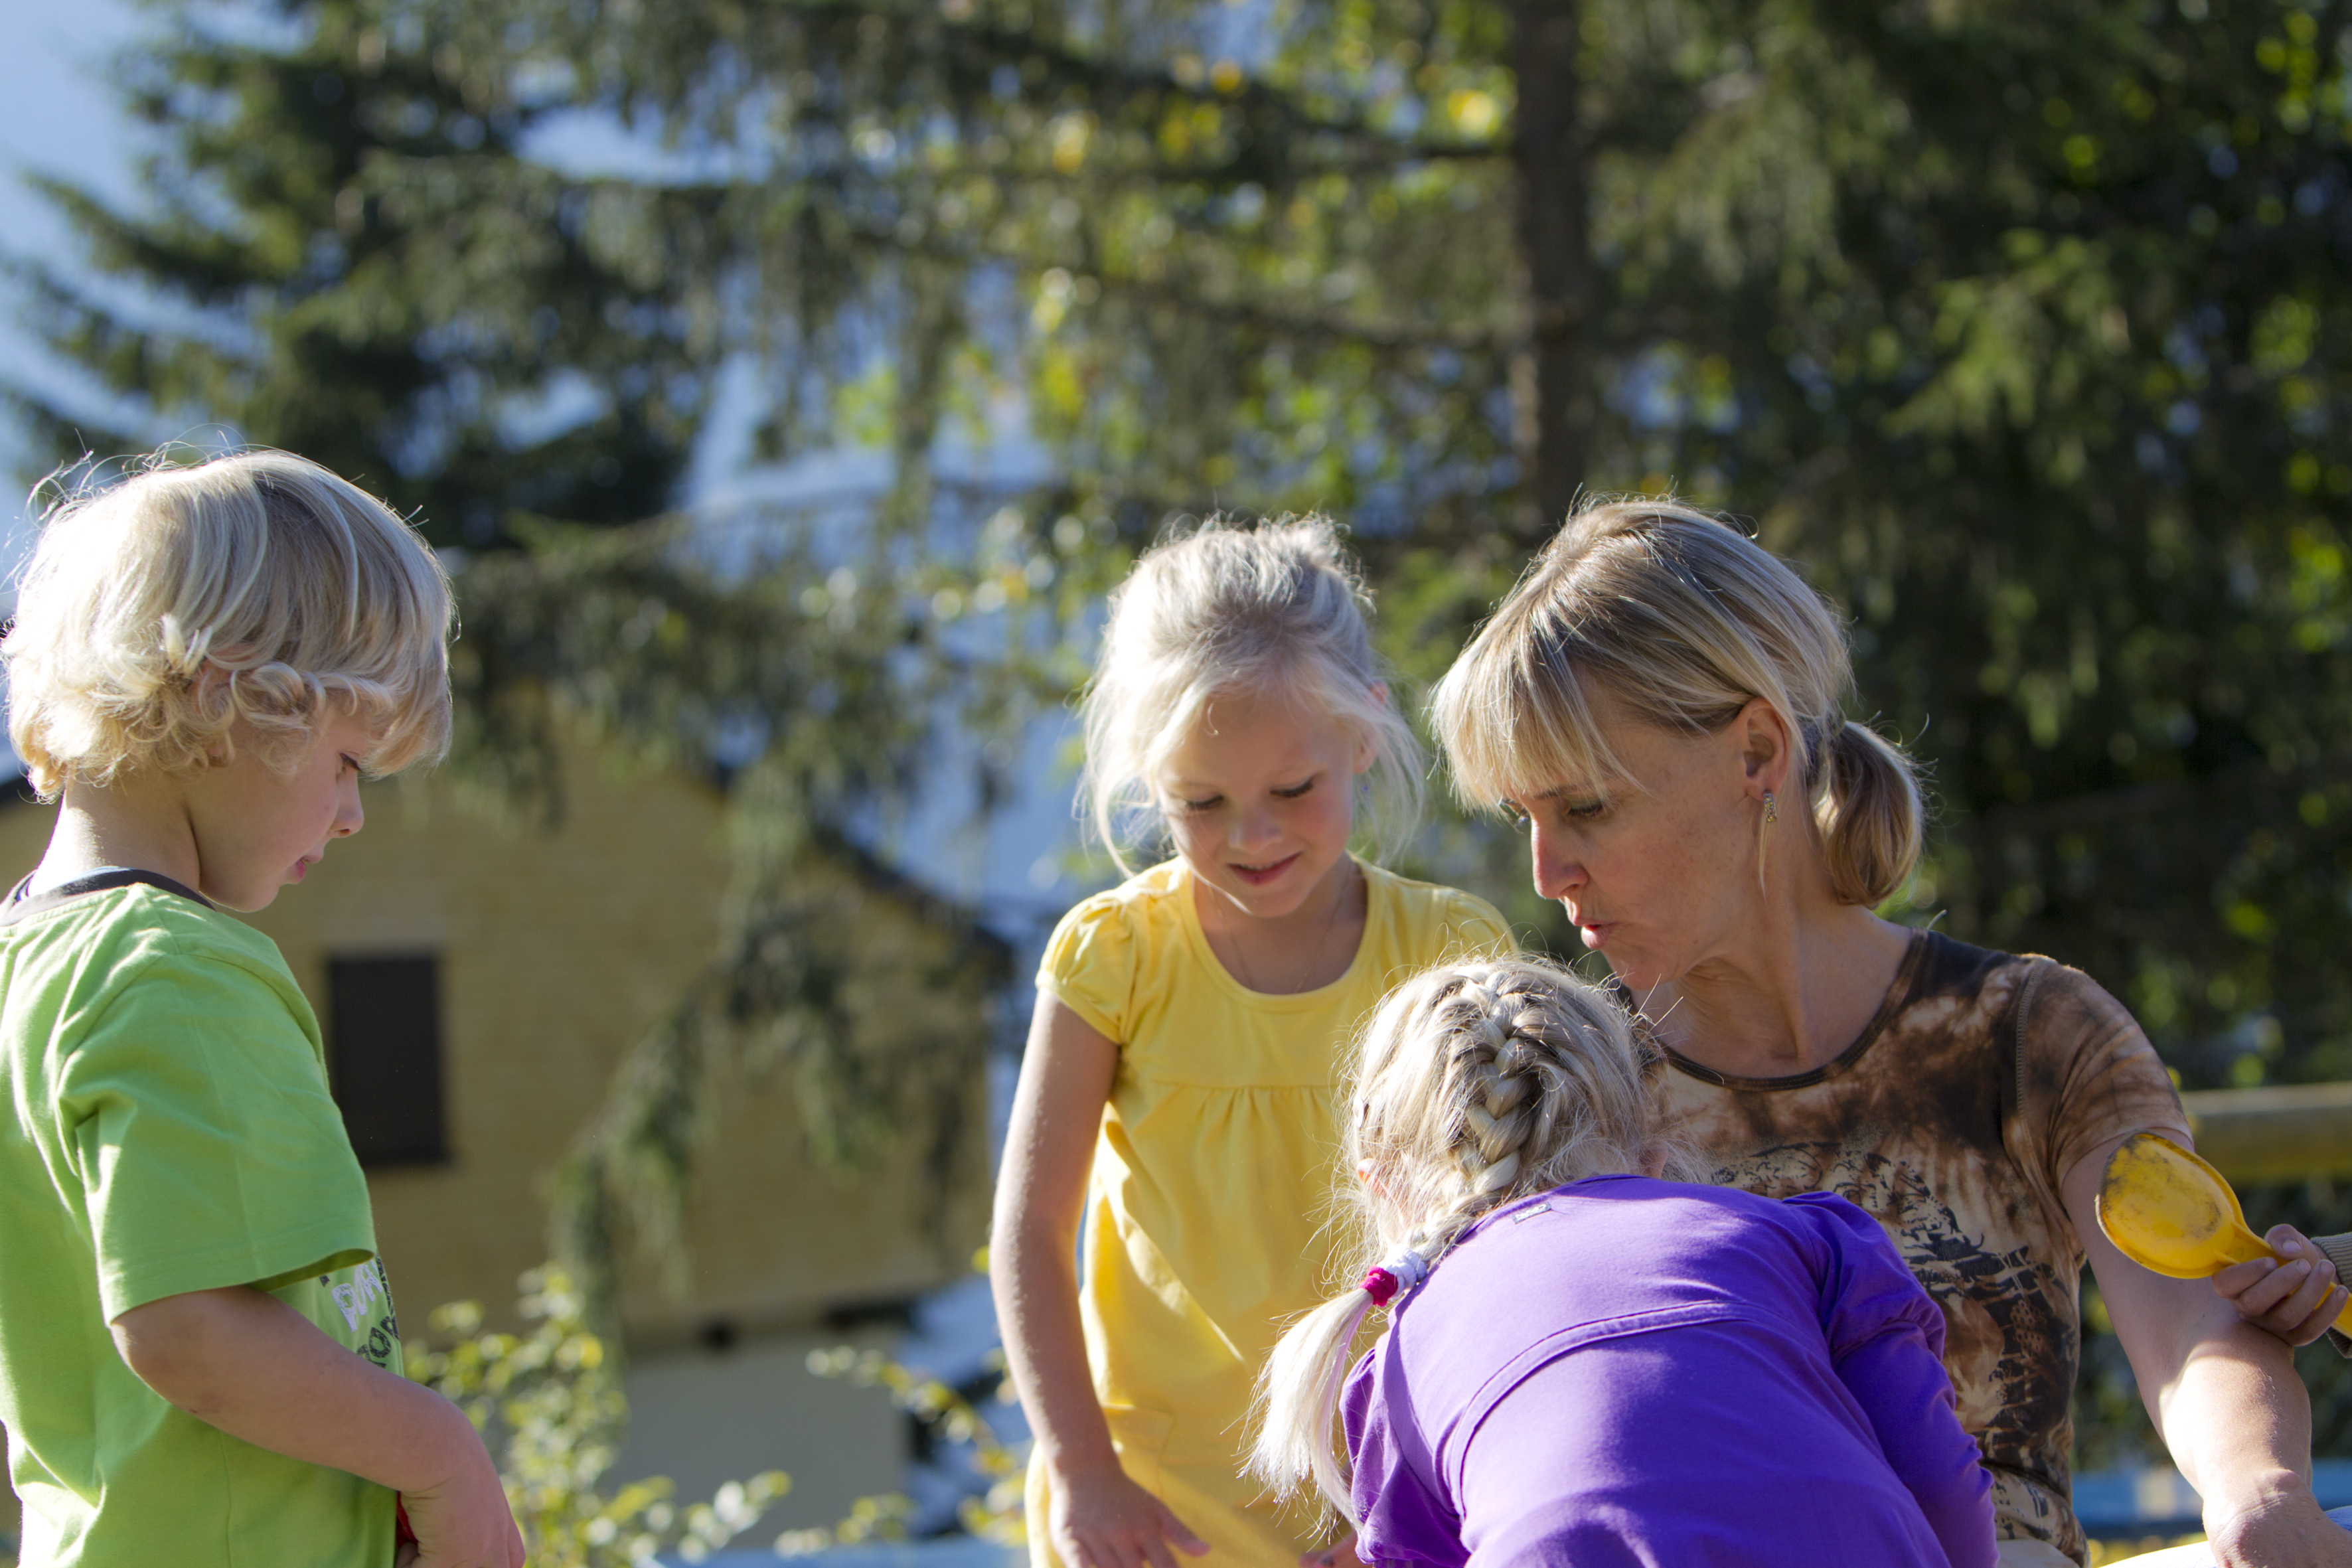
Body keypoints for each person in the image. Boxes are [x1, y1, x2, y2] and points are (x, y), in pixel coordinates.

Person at [1428, 497, 2352, 1568]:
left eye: (1584, 807)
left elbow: (2188, 1323)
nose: (1547, 873)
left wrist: (2256, 1494)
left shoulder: (2026, 1031)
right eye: (1522, 819)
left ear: (1756, 752)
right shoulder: (1567, 1095)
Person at [0, 450, 524, 1568]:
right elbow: (187, 1330)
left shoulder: (26, 962)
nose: (350, 818)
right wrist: (435, 1452)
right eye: (344, 763)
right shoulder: (176, 967)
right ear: (227, 688)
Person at [990, 519, 1514, 1568]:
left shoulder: (1451, 949)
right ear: (1150, 781)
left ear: (1362, 733)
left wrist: (1408, 1503)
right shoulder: (1115, 957)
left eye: (1291, 791)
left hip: (1386, 1500)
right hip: (1154, 1511)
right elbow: (1030, 1231)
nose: (1252, 835)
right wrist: (1083, 1470)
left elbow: (1500, 1243)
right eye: (1201, 802)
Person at [1250, 955, 1999, 1568]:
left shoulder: (1404, 1366)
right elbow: (1939, 1482)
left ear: (1378, 1183)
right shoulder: (1803, 1238)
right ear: (1652, 1152)